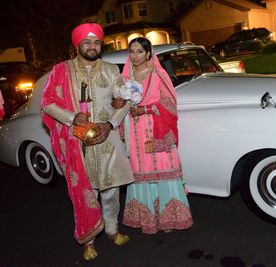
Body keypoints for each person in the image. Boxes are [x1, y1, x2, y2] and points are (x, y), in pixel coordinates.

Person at [40, 23, 134, 261]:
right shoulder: (61, 71)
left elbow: (126, 100)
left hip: (108, 140)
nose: (92, 46)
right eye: (87, 42)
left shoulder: (113, 70)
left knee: (111, 190)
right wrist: (72, 117)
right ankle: (88, 239)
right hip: (78, 143)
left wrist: (110, 124)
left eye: (96, 42)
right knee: (85, 193)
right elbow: (48, 102)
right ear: (77, 45)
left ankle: (112, 229)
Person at [113, 37, 193, 234]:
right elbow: (119, 102)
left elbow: (170, 104)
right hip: (135, 131)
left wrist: (146, 109)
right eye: (131, 52)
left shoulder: (158, 74)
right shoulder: (125, 76)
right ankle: (148, 219)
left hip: (155, 129)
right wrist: (119, 103)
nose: (135, 56)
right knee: (141, 172)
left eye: (140, 51)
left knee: (164, 168)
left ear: (148, 54)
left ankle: (169, 217)